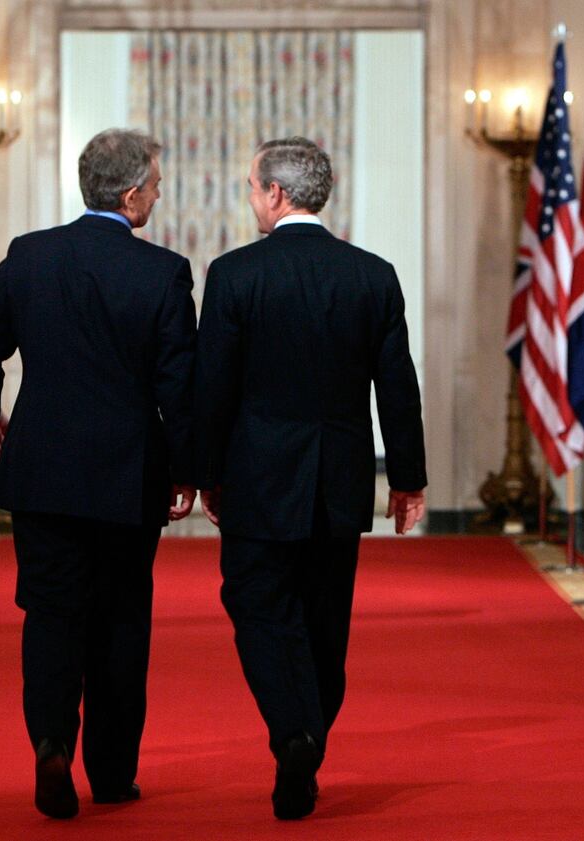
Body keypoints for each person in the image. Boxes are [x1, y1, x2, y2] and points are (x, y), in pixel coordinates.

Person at [0, 129, 197, 820]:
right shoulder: (162, 272)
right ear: (129, 196)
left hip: (44, 471)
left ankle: (52, 745)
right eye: (153, 184)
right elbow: (179, 386)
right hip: (129, 477)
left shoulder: (30, 256)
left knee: (52, 612)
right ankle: (114, 775)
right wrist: (188, 468)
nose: (157, 193)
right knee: (122, 621)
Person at [194, 137, 426, 820]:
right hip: (339, 480)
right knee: (325, 621)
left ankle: (294, 733)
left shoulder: (234, 274)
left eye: (251, 186)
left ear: (275, 193)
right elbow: (398, 387)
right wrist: (406, 477)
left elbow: (214, 387)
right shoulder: (372, 274)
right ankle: (307, 737)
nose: (250, 197)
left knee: (257, 605)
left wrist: (205, 473)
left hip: (257, 480)